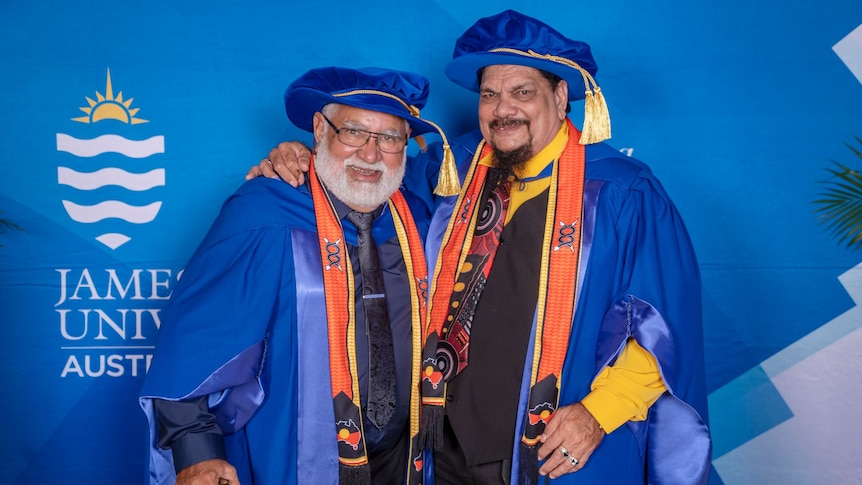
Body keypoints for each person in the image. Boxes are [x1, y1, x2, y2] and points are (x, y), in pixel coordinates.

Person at [252, 10, 711, 485]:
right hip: (442, 446)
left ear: (559, 96)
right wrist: (308, 155)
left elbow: (666, 324)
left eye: (522, 92)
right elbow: (367, 184)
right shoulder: (454, 168)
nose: (502, 109)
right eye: (489, 95)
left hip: (554, 446)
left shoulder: (621, 192)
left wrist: (599, 413)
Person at [139, 66, 455, 485]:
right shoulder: (265, 212)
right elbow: (195, 339)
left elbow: (495, 150)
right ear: (320, 130)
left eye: (389, 138)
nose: (370, 153)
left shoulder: (418, 211)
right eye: (354, 132)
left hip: (402, 458)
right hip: (293, 456)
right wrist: (196, 450)